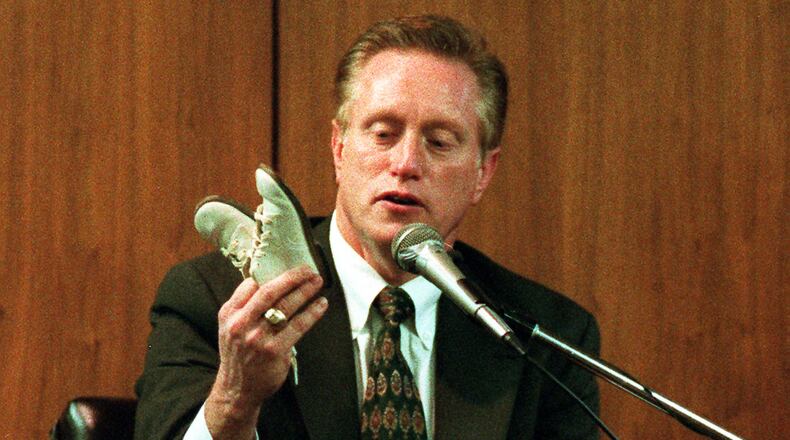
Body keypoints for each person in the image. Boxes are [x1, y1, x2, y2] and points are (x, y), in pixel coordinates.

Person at [134, 15, 601, 440]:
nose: (406, 163)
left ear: (483, 172)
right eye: (383, 133)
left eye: (439, 142)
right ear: (339, 147)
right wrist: (235, 399)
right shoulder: (215, 299)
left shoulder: (548, 339)